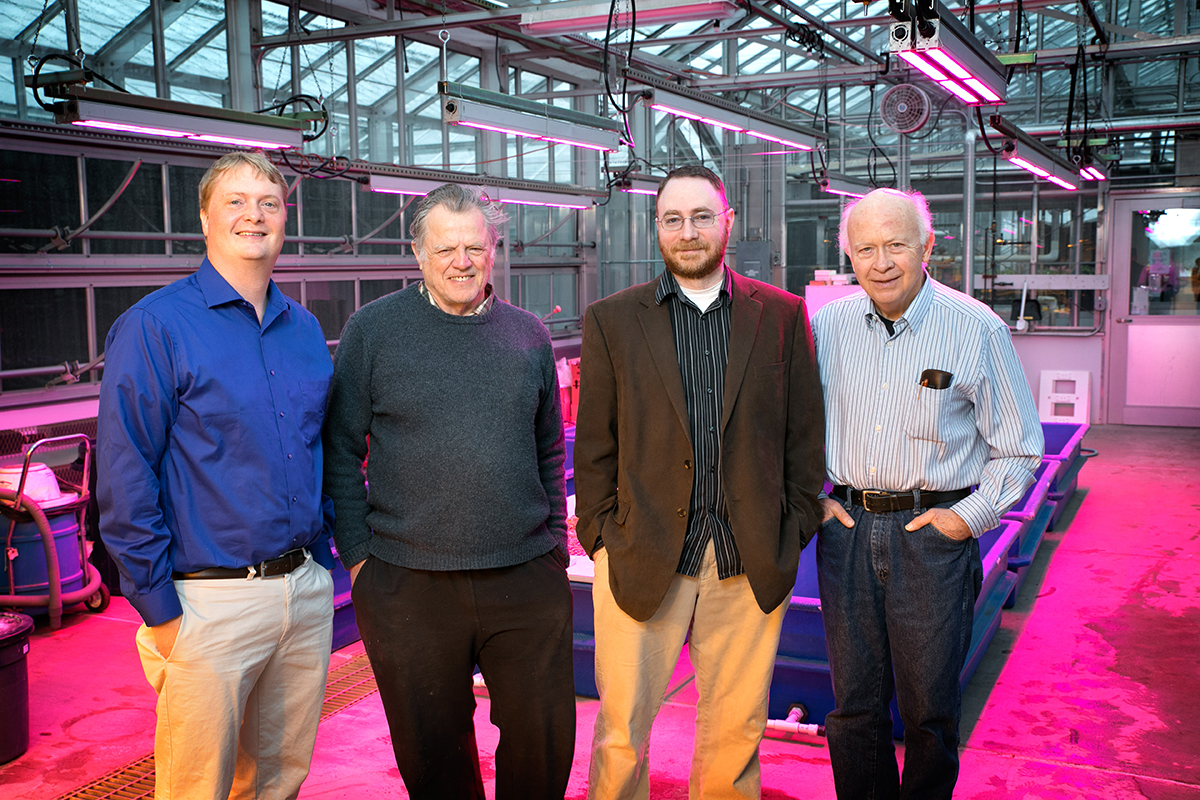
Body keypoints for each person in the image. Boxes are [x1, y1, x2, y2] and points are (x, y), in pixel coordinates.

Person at [574, 164, 826, 799]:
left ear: (727, 223)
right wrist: (601, 535)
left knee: (735, 735)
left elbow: (804, 437)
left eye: (701, 216)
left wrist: (792, 529)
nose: (688, 232)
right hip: (640, 554)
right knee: (622, 731)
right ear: (657, 227)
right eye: (673, 219)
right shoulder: (613, 320)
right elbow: (596, 444)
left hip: (746, 561)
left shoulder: (782, 316)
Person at [322, 184, 574, 799]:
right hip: (408, 581)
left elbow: (548, 448)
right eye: (445, 249)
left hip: (523, 576)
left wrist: (554, 548)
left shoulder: (527, 335)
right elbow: (340, 448)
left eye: (474, 247)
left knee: (543, 741)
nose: (461, 261)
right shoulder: (373, 332)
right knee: (433, 753)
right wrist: (360, 558)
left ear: (494, 250)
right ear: (417, 253)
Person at [97, 151, 336, 800]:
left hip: (302, 592)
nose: (252, 215)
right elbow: (124, 475)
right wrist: (161, 611)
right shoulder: (156, 326)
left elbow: (320, 451)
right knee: (197, 789)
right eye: (235, 200)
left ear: (285, 219)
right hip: (208, 602)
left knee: (279, 780)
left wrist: (323, 565)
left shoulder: (305, 331)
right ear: (204, 218)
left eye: (268, 202)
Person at [812, 187, 1044, 799]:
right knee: (853, 708)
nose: (881, 261)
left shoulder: (976, 329)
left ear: (927, 247)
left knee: (929, 713)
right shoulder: (824, 328)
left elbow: (1020, 446)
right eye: (865, 248)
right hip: (847, 530)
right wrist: (811, 497)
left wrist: (965, 519)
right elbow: (787, 425)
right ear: (848, 255)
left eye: (896, 245)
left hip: (932, 536)